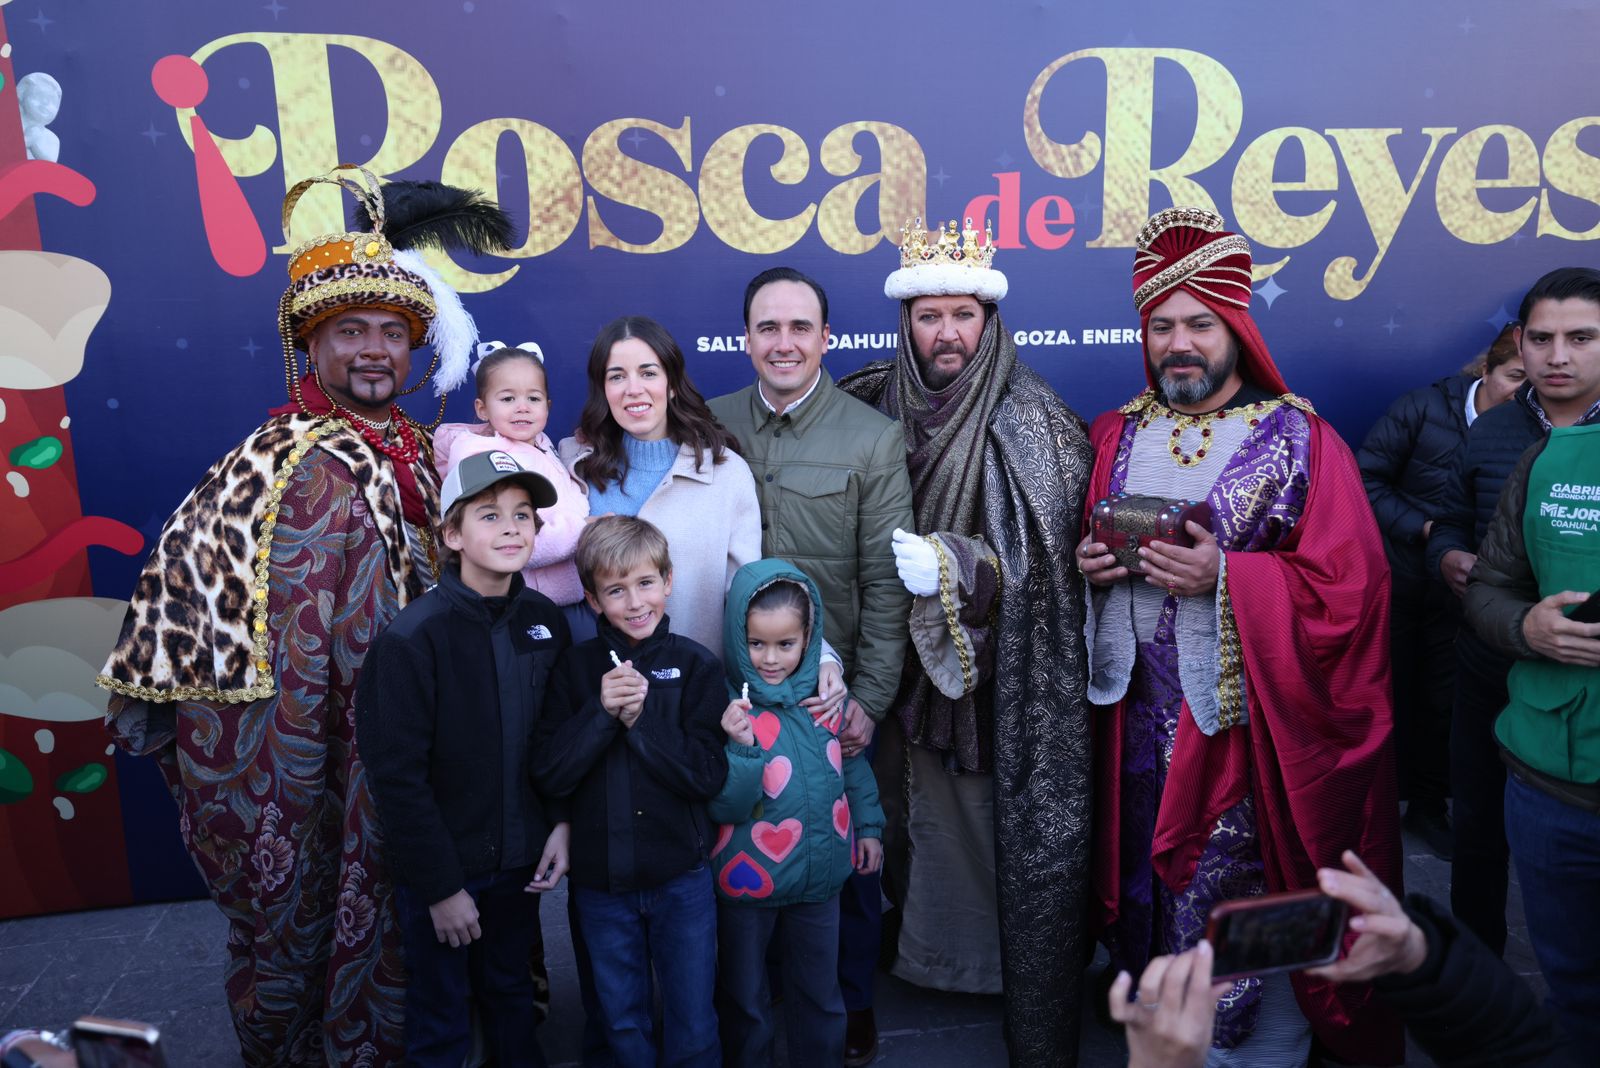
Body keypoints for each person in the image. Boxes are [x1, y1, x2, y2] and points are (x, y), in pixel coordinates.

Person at [95, 168, 511, 1065]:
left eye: (393, 334)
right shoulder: (277, 463)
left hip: (406, 748)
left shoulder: (418, 452)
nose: (373, 351)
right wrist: (316, 771)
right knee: (310, 926)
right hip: (309, 765)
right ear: (309, 350)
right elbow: (220, 618)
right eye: (349, 332)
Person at [1077, 206, 1402, 1065]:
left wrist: (1231, 579)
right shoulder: (1117, 431)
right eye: (1161, 326)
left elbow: (1353, 594)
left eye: (1200, 324)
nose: (1179, 343)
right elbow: (1092, 542)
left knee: (1233, 902)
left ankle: (1246, 1046)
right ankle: (1161, 1038)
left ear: (1236, 328)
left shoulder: (1301, 440)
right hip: (1131, 724)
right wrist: (1092, 564)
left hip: (1242, 743)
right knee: (1145, 894)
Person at [838, 218, 1094, 1066]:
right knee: (883, 820)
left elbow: (1055, 567)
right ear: (904, 323)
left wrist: (958, 565)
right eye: (928, 315)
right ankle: (883, 967)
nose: (946, 332)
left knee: (973, 830)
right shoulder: (866, 397)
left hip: (983, 673)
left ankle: (979, 968)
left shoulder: (1038, 420)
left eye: (963, 315)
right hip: (876, 660)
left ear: (990, 322)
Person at [708, 266, 914, 1064]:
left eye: (800, 328)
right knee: (740, 839)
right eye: (768, 327)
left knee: (846, 856)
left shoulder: (870, 436)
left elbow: (885, 583)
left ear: (826, 339)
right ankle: (747, 1003)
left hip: (834, 698)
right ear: (747, 337)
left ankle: (849, 1002)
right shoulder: (710, 424)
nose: (784, 343)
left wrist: (867, 697)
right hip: (739, 692)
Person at [356, 450, 572, 1067]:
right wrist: (441, 888)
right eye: (489, 514)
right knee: (441, 1015)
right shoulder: (411, 639)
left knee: (511, 997)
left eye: (523, 515)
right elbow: (396, 778)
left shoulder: (544, 621)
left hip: (518, 867)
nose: (510, 528)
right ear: (452, 534)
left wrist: (559, 822)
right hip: (446, 876)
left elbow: (554, 739)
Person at [1426, 266, 1600, 957]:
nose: (1558, 355)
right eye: (1542, 338)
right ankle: (1481, 975)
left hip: (1581, 691)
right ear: (1518, 345)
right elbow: (1446, 520)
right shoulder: (1492, 429)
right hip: (1489, 660)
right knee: (1477, 830)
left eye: (1581, 337)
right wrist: (1446, 556)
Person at [530, 515, 727, 1067]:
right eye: (616, 590)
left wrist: (640, 722)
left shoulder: (695, 665)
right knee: (619, 1020)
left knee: (692, 1021)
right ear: (592, 600)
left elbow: (707, 775)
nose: (635, 602)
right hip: (601, 885)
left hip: (681, 880)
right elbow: (550, 772)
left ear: (668, 580)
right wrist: (601, 713)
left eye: (645, 583)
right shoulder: (573, 669)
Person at [707, 561, 886, 1067]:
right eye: (757, 644)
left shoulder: (825, 701)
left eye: (785, 644)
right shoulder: (727, 711)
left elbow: (852, 769)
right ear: (738, 638)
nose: (769, 658)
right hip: (748, 885)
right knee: (746, 1000)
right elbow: (725, 804)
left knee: (820, 995)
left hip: (820, 878)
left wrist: (869, 826)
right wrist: (741, 750)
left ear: (809, 637)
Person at [1358, 324, 1526, 858]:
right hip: (1399, 582)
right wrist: (1427, 530)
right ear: (1486, 370)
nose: (1525, 393)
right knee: (1380, 696)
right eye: (1515, 378)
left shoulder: (1534, 430)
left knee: (1445, 705)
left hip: (1466, 598)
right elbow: (1366, 481)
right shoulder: (1422, 409)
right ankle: (1362, 815)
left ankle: (1429, 809)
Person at [561, 316, 760, 656]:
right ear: (603, 389)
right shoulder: (570, 464)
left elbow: (748, 598)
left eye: (648, 373)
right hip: (591, 689)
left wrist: (820, 657)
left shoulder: (726, 473)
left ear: (671, 384)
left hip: (693, 691)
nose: (633, 388)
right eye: (617, 376)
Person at [435, 342, 591, 631]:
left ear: (548, 406)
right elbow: (522, 540)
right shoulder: (482, 456)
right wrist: (586, 530)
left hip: (572, 599)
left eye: (533, 398)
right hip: (522, 604)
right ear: (482, 408)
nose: (522, 407)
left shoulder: (545, 447)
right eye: (507, 399)